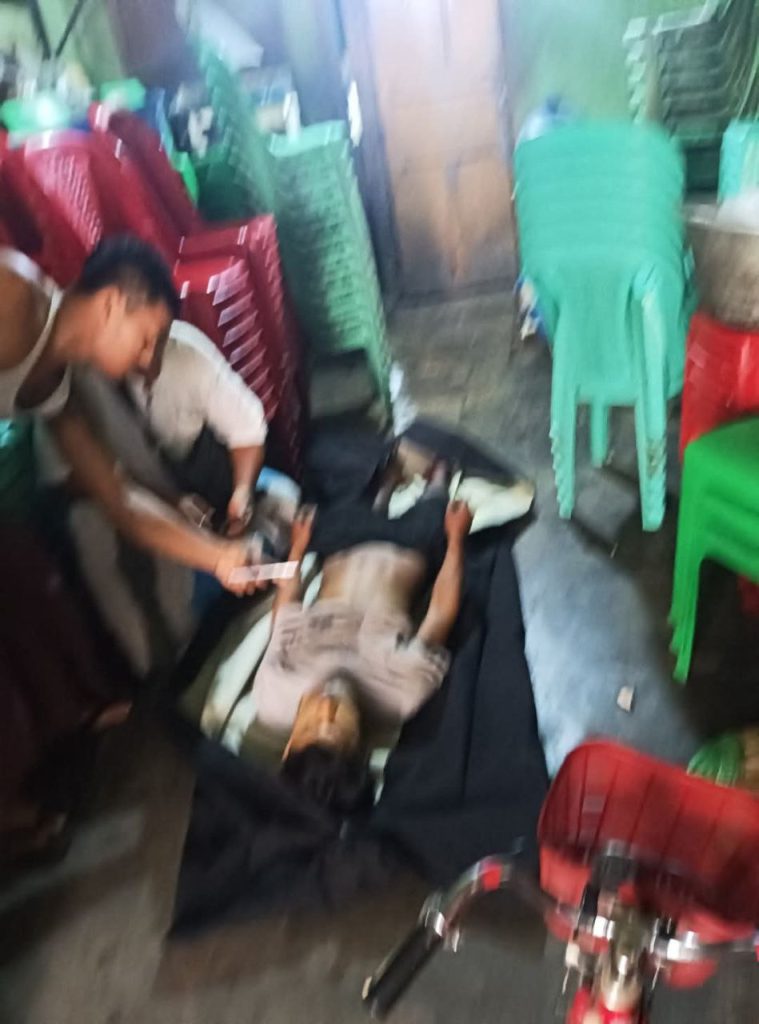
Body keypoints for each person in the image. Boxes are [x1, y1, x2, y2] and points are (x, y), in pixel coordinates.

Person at [0, 238, 264, 593]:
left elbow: (120, 501)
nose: (148, 360)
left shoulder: (60, 394)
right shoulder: (13, 293)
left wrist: (219, 557)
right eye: (146, 339)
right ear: (111, 304)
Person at [252, 463, 473, 813]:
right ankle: (436, 479)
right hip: (406, 547)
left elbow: (285, 614)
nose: (326, 706)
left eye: (310, 726)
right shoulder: (402, 694)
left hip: (341, 546)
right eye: (338, 727)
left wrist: (297, 549)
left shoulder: (273, 693)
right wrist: (457, 541)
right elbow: (439, 615)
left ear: (289, 746)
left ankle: (385, 484)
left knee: (344, 487)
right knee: (438, 502)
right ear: (361, 745)